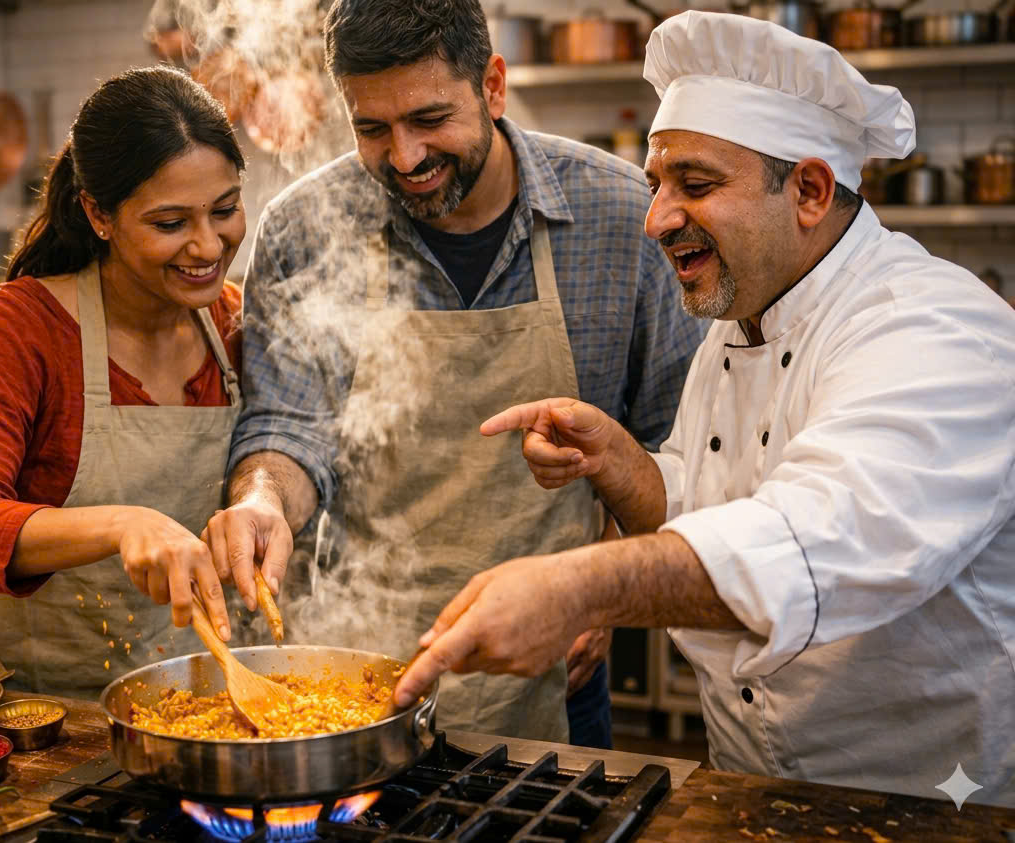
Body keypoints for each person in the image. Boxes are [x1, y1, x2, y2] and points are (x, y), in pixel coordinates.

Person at [393, 12, 1015, 805]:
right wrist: (625, 466)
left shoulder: (933, 329)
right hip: (752, 791)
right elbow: (709, 500)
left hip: (927, 809)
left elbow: (811, 539)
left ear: (811, 192)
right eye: (656, 184)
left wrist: (579, 587)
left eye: (695, 184)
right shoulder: (738, 322)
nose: (655, 218)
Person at [204, 0, 703, 745]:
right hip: (357, 670)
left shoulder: (621, 217)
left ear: (492, 87)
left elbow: (675, 451)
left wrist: (596, 588)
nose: (404, 157)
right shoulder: (304, 227)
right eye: (372, 128)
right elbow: (289, 425)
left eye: (430, 119)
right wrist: (262, 499)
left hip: (548, 666)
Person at [0, 66, 253, 698]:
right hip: (20, 711)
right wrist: (123, 526)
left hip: (172, 698)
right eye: (170, 223)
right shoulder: (14, 327)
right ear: (99, 213)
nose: (208, 244)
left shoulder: (230, 321)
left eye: (225, 210)